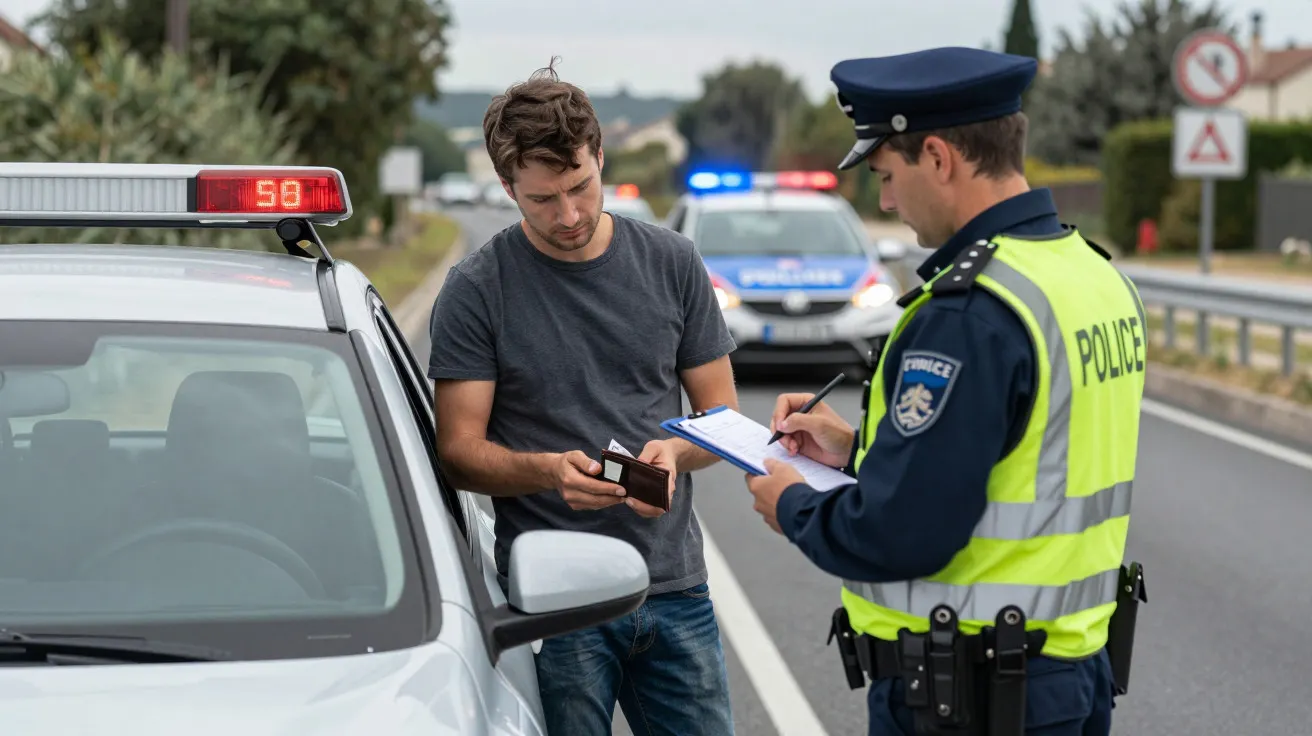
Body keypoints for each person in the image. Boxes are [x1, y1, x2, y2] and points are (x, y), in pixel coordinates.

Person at [743, 47, 1148, 735]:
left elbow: (901, 534)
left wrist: (794, 505)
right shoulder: (1091, 274)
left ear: (938, 157)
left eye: (887, 175)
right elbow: (1028, 459)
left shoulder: (968, 313)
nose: (887, 201)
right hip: (1071, 677)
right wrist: (858, 450)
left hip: (972, 692)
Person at [428, 60, 739, 736]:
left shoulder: (673, 261)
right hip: (553, 603)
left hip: (675, 587)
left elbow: (723, 417)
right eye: (543, 200)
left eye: (580, 187)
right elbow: (457, 451)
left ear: (599, 156)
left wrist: (678, 452)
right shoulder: (478, 290)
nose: (568, 215)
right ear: (506, 185)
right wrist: (546, 471)